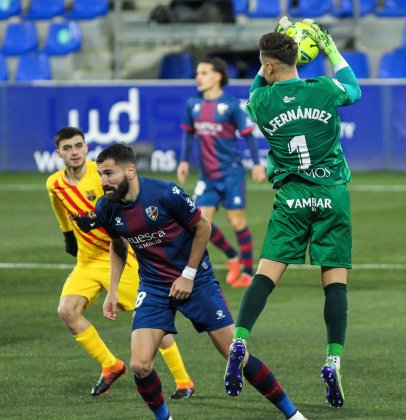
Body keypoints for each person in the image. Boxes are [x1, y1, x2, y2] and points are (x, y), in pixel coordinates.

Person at [93, 143, 304, 420]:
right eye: (100, 175)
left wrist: (188, 275)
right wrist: (113, 290)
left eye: (109, 174)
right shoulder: (106, 208)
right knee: (140, 364)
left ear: (130, 170)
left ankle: (293, 415)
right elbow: (118, 245)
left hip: (197, 281)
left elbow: (203, 226)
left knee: (235, 355)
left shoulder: (165, 193)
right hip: (154, 287)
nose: (103, 182)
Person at [223, 18, 361, 409]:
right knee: (335, 282)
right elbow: (354, 89)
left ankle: (240, 339)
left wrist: (275, 47)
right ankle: (333, 358)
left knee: (266, 274)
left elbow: (255, 87)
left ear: (267, 66)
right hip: (331, 194)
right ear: (300, 57)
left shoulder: (260, 102)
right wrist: (329, 47)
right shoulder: (322, 88)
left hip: (292, 197)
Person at [46, 127, 195, 399]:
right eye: (67, 148)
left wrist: (96, 220)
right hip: (87, 261)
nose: (74, 152)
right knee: (67, 310)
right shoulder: (54, 183)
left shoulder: (102, 174)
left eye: (78, 145)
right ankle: (111, 364)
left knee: (153, 323)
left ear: (86, 147)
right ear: (58, 153)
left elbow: (124, 206)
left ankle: (184, 380)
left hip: (119, 257)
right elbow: (59, 208)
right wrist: (67, 234)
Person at [177, 56, 266, 289]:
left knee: (237, 222)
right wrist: (184, 161)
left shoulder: (231, 105)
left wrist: (257, 164)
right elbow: (188, 134)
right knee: (199, 222)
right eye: (197, 73)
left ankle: (247, 271)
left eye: (204, 72)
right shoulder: (193, 105)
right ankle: (232, 255)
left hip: (231, 174)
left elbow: (247, 134)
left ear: (217, 76)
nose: (198, 77)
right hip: (207, 176)